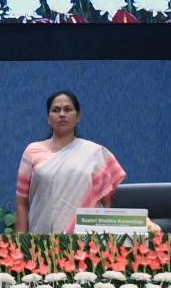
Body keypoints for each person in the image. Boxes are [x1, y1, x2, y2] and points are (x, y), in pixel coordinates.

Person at [15, 91, 127, 233]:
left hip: (85, 244)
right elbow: (22, 204)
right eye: (55, 110)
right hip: (41, 243)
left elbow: (106, 204)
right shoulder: (32, 151)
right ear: (48, 118)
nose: (62, 114)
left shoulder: (95, 153)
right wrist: (20, 245)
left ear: (78, 116)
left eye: (68, 109)